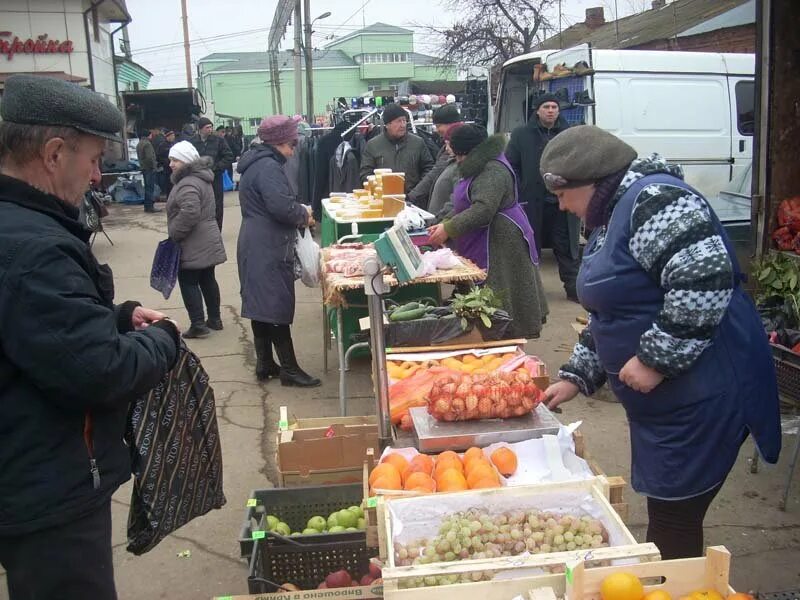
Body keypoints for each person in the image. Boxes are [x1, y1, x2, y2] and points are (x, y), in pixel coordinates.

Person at [540, 125, 782, 560]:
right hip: (670, 404)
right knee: (669, 511)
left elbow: (704, 277)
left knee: (674, 517)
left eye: (561, 194)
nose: (560, 206)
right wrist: (577, 375)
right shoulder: (612, 213)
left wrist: (655, 359)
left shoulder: (655, 202)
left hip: (704, 393)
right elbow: (612, 310)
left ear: (589, 182)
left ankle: (680, 586)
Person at [0, 74, 181, 599]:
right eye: (93, 158)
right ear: (55, 154)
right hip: (47, 482)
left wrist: (118, 317)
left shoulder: (19, 227)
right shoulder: (34, 248)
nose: (100, 174)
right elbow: (99, 371)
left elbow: (42, 330)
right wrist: (162, 340)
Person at [427, 125, 548, 338]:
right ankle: (491, 331)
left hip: (503, 238)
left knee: (503, 288)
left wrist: (450, 228)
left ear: (470, 152)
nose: (457, 159)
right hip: (490, 234)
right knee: (492, 287)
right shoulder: (479, 165)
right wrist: (445, 222)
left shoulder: (493, 169)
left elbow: (483, 209)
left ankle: (507, 332)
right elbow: (465, 202)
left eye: (459, 155)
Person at [236, 115, 320, 387]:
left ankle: (265, 363)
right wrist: (303, 214)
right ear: (279, 142)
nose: (293, 150)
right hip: (268, 244)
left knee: (261, 305)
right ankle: (289, 369)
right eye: (291, 144)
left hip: (255, 240)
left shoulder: (256, 163)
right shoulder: (268, 167)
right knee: (275, 306)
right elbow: (281, 208)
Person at [506, 93, 580, 301]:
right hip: (533, 201)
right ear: (537, 110)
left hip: (563, 202)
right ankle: (531, 291)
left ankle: (574, 288)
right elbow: (512, 165)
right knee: (530, 246)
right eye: (546, 106)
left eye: (554, 107)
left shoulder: (570, 134)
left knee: (566, 247)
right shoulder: (521, 135)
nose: (550, 110)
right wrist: (519, 190)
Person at [166, 141, 227, 339]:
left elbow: (190, 212)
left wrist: (175, 232)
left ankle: (198, 324)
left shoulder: (188, 183)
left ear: (185, 160)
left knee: (188, 281)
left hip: (193, 240)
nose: (171, 164)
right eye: (170, 160)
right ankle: (215, 319)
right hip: (207, 236)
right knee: (207, 278)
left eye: (175, 160)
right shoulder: (201, 178)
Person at [359, 103, 434, 193]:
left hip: (414, 200)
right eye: (398, 121)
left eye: (404, 121)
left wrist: (417, 192)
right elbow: (366, 174)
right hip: (383, 199)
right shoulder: (373, 145)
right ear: (387, 124)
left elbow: (429, 169)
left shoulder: (418, 143)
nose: (403, 125)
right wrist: (379, 190)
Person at [407, 104, 462, 210]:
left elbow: (434, 173)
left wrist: (411, 197)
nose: (436, 130)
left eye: (438, 126)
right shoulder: (448, 146)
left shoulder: (456, 148)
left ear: (451, 125)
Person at [191, 116, 233, 230]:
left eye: (211, 127)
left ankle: (217, 229)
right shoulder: (193, 142)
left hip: (215, 177)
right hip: (199, 178)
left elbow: (228, 156)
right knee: (201, 204)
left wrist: (217, 167)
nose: (210, 129)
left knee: (217, 204)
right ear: (200, 129)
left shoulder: (218, 140)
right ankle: (203, 229)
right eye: (207, 127)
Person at [136, 127, 159, 213]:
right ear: (148, 135)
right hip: (149, 169)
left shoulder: (139, 144)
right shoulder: (147, 144)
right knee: (150, 188)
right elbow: (150, 157)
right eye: (151, 134)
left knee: (147, 187)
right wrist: (154, 166)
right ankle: (150, 207)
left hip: (143, 168)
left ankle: (147, 206)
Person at [156, 129, 176, 199]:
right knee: (168, 184)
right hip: (166, 168)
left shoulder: (174, 144)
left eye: (174, 135)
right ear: (168, 136)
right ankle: (169, 198)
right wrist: (166, 161)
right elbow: (158, 157)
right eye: (172, 136)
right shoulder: (162, 145)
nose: (173, 137)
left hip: (174, 168)